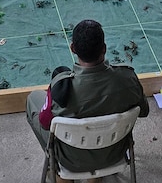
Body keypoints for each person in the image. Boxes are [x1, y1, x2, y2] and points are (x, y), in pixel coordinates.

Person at [26, 19, 148, 173]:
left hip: (71, 160)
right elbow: (144, 111)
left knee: (33, 99)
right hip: (114, 154)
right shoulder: (128, 78)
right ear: (104, 48)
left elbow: (44, 123)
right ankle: (94, 177)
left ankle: (56, 167)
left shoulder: (61, 90)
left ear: (72, 48)